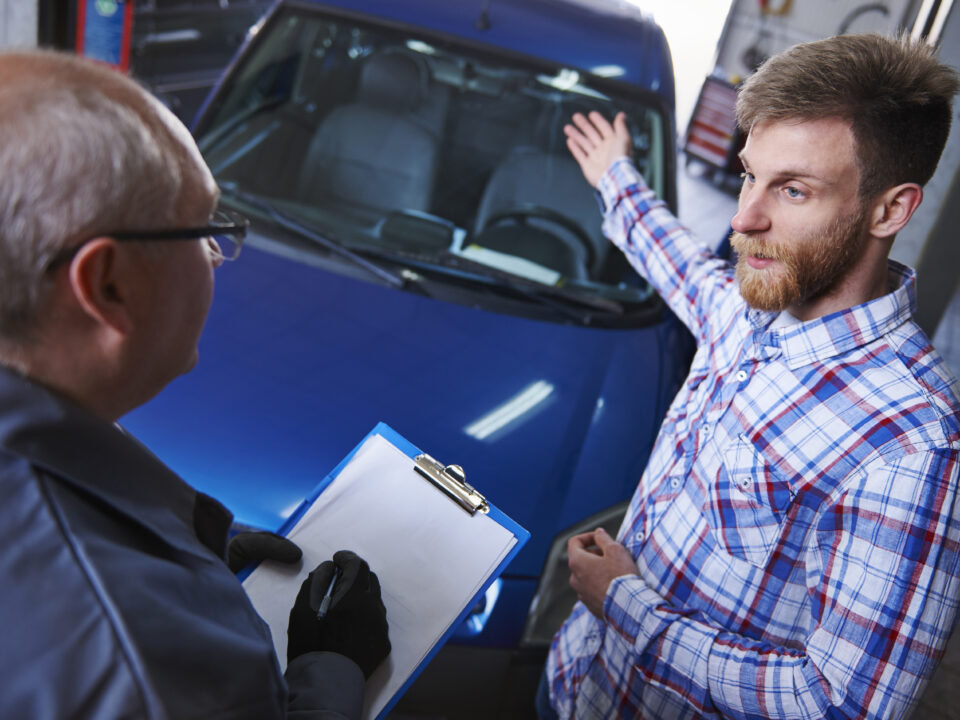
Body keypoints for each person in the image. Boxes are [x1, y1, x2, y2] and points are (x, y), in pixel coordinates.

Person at [541, 33, 960, 719]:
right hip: (576, 680)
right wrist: (615, 175)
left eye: (793, 189)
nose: (744, 218)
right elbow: (682, 265)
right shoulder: (751, 309)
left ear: (890, 210)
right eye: (749, 175)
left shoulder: (912, 446)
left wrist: (624, 604)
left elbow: (839, 705)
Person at [0, 50, 389, 718]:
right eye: (206, 226)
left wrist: (179, 545)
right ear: (109, 286)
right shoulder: (146, 663)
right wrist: (331, 671)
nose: (217, 253)